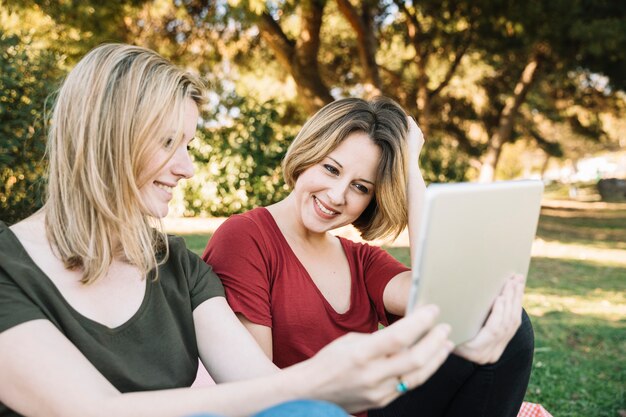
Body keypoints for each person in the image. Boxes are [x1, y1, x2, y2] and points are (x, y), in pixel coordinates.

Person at [0, 43, 455, 417]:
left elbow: (261, 389)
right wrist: (318, 380)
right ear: (106, 135)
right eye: (167, 142)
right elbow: (91, 411)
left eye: (189, 144)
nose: (188, 168)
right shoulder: (8, 268)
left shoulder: (177, 267)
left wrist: (354, 385)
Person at [203, 97, 534, 417]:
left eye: (360, 187)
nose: (337, 196)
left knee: (503, 321)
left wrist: (410, 168)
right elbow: (255, 392)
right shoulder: (246, 238)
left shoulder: (361, 260)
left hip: (369, 407)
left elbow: (443, 298)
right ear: (307, 154)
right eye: (331, 169)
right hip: (301, 410)